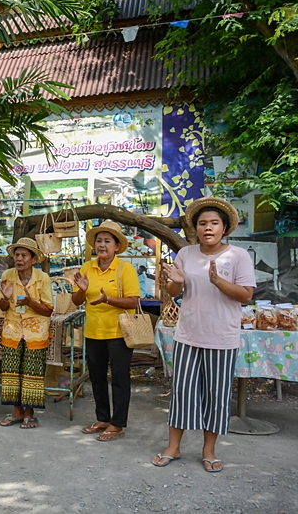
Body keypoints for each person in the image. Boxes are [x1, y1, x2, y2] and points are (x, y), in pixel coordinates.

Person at [152, 198, 255, 472]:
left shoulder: (238, 256)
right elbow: (174, 294)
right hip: (188, 335)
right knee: (182, 393)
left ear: (225, 228)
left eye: (214, 223)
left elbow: (246, 295)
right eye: (202, 223)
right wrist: (175, 281)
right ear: (196, 228)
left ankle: (209, 450)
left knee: (216, 396)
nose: (208, 228)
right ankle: (173, 447)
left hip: (222, 338)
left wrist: (218, 281)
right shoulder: (185, 254)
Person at [72, 220, 140, 441]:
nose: (102, 245)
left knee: (120, 378)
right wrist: (82, 291)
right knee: (97, 377)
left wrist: (107, 299)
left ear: (117, 246)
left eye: (107, 241)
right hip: (94, 331)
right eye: (99, 241)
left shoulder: (124, 268)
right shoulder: (86, 268)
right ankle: (103, 418)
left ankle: (117, 424)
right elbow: (76, 300)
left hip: (119, 332)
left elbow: (133, 301)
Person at [0, 238, 53, 429]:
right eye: (17, 255)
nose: (19, 259)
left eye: (24, 256)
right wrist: (5, 297)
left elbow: (48, 310)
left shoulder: (42, 278)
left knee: (32, 372)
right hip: (12, 329)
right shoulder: (7, 275)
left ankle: (30, 413)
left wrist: (30, 303)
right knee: (11, 371)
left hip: (36, 331)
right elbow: (3, 307)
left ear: (34, 259)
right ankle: (16, 412)